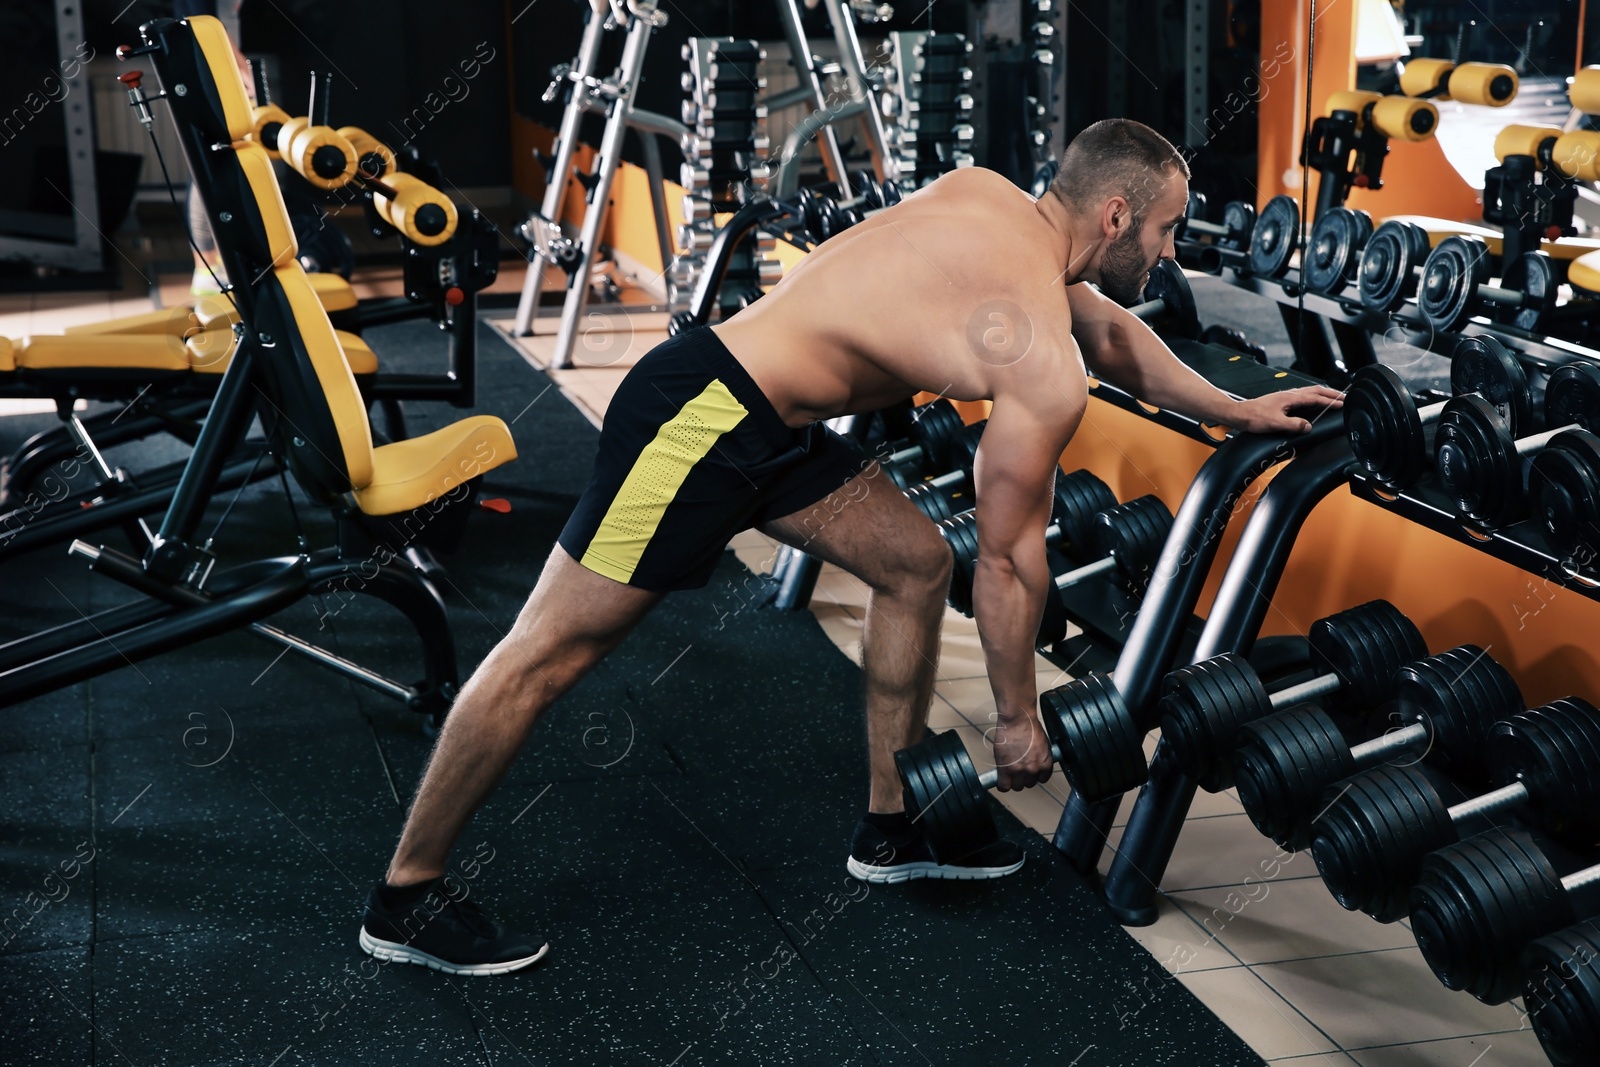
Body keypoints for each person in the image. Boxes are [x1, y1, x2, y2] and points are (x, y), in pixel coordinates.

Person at [358, 119, 1344, 975]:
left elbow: (1116, 335)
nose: (1170, 253)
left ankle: (890, 822)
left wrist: (1238, 408)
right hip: (701, 420)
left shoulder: (994, 203)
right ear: (1119, 216)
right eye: (1167, 229)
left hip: (768, 428)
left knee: (912, 559)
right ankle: (406, 894)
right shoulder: (1040, 360)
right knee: (550, 650)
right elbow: (1007, 559)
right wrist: (1013, 718)